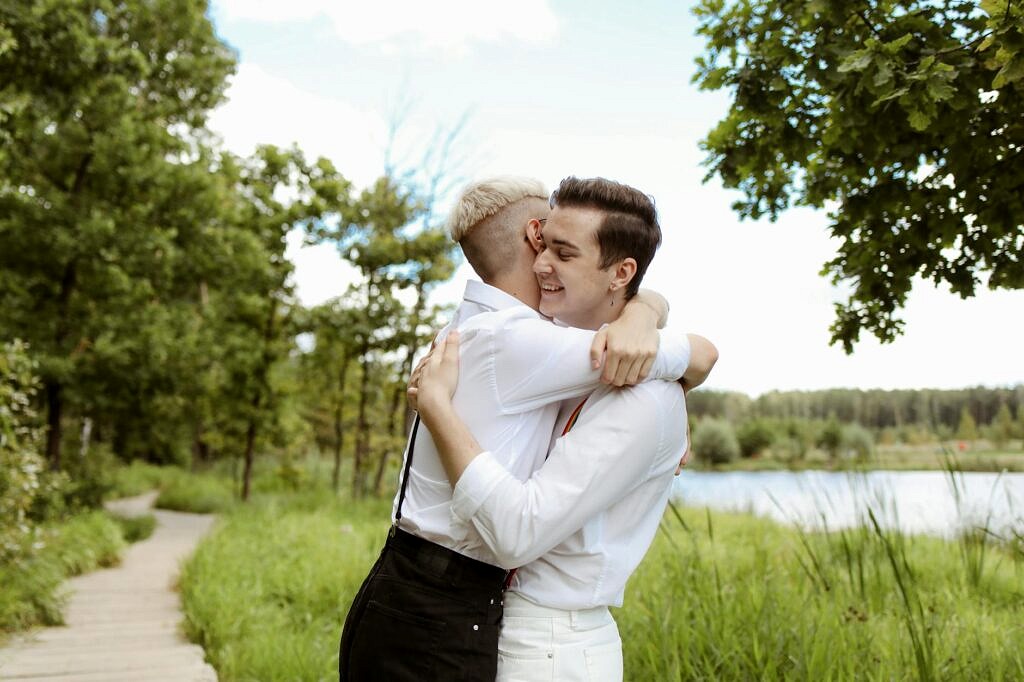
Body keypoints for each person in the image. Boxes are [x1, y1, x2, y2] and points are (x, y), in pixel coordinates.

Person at [338, 176, 714, 681]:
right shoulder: (519, 339)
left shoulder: (622, 383)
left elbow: (687, 356)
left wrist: (647, 313)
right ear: (531, 234)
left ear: (620, 271)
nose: (543, 262)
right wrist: (650, 321)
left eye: (561, 249)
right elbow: (693, 353)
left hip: (533, 636)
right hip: (452, 607)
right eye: (543, 242)